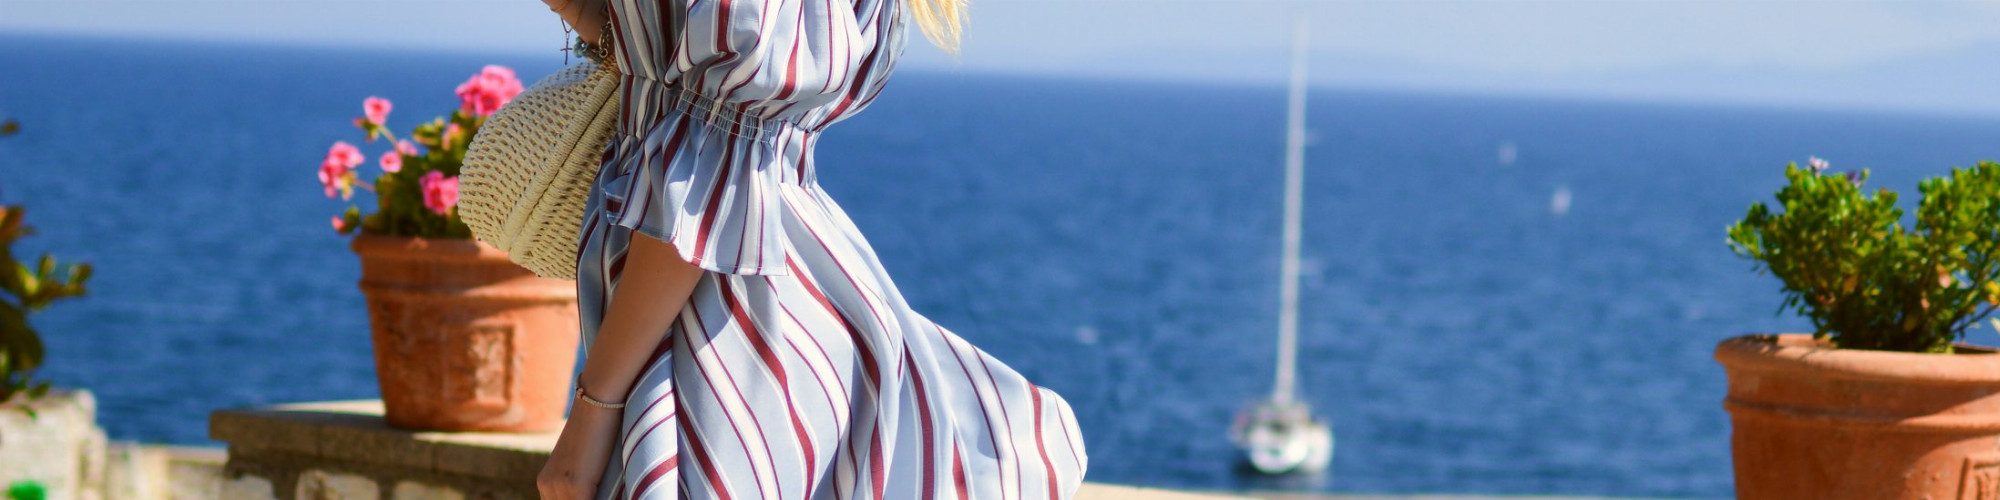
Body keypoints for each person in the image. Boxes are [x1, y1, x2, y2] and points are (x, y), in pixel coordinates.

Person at [533, 0, 1088, 498]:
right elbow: (684, 74)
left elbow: (711, 173)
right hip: (717, 289)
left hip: (719, 311)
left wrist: (594, 407)